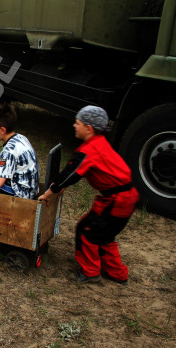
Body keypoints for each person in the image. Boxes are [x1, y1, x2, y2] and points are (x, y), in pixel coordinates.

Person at [38, 105, 139, 284]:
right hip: (126, 197)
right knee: (105, 236)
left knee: (87, 230)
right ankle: (118, 273)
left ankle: (91, 271)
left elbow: (71, 173)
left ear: (88, 128)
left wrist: (49, 191)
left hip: (116, 200)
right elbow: (79, 173)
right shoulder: (99, 143)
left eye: (77, 123)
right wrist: (63, 186)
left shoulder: (89, 150)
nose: (74, 126)